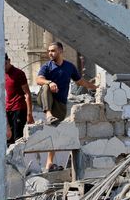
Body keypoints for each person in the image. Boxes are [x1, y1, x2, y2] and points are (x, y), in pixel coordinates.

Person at [36, 42, 97, 171]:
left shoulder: (69, 67)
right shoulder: (47, 66)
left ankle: (49, 163)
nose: (50, 53)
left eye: (53, 51)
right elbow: (38, 80)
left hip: (60, 104)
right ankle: (48, 114)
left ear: (60, 51)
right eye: (48, 51)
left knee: (54, 131)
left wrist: (95, 87)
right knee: (46, 86)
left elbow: (79, 81)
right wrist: (50, 82)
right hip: (46, 100)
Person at [5, 53, 35, 144]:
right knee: (8, 140)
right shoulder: (1, 74)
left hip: (19, 108)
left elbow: (27, 94)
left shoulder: (18, 73)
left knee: (18, 138)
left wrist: (29, 114)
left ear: (9, 61)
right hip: (7, 109)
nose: (4, 67)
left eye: (5, 63)